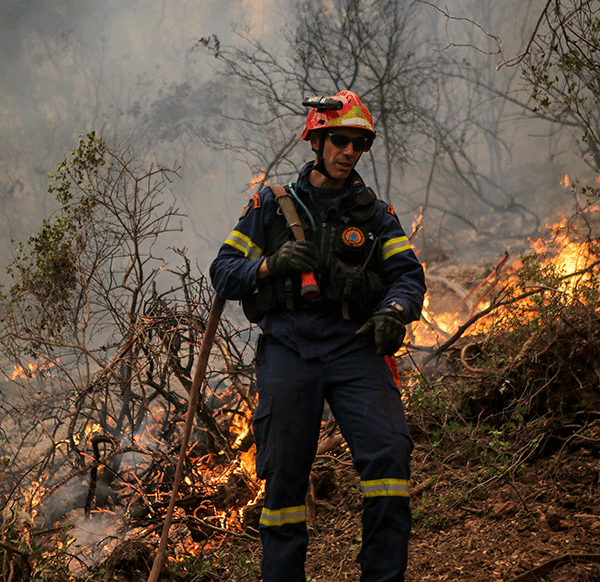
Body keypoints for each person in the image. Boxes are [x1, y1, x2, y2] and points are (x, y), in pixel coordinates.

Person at [209, 90, 426, 582]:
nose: (350, 152)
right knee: (284, 485)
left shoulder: (375, 215)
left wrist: (395, 311)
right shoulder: (270, 205)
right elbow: (223, 271)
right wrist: (269, 264)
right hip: (290, 349)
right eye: (342, 141)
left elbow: (408, 276)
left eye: (360, 145)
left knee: (390, 462)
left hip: (356, 348)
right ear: (318, 140)